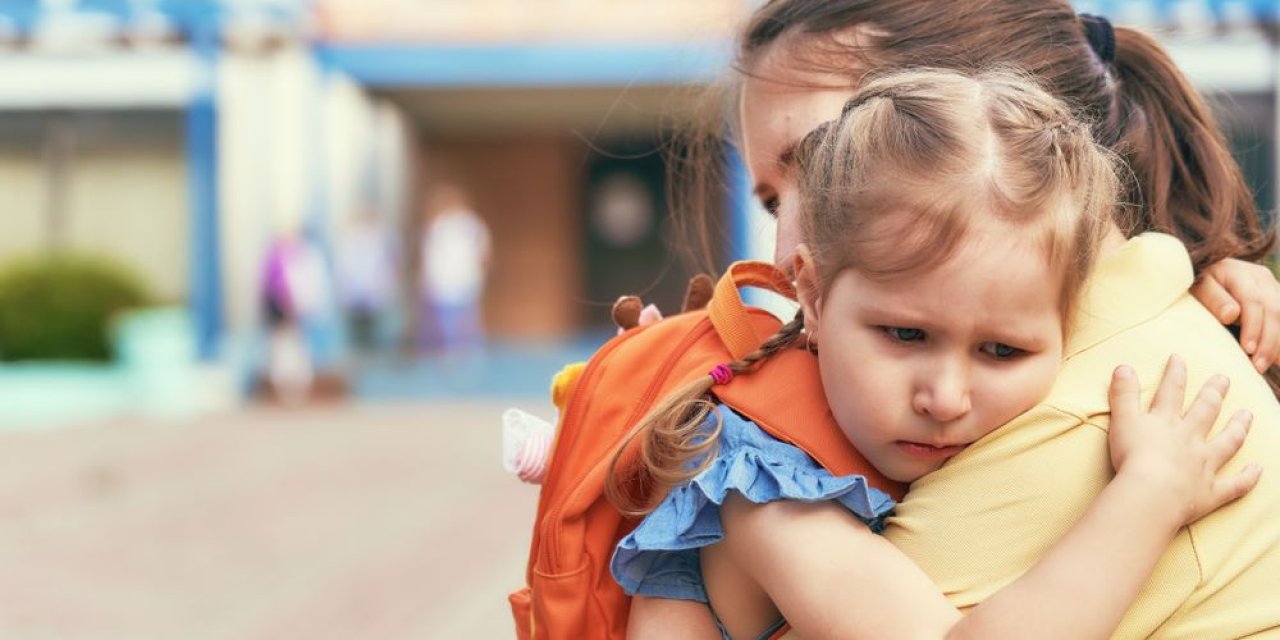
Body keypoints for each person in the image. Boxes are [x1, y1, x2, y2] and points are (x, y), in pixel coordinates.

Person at [641, 1, 1280, 637]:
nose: (784, 254)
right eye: (774, 200)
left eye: (828, 158)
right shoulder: (774, 469)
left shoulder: (1096, 419)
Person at [417, 185, 492, 355]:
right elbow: (430, 255)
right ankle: (453, 351)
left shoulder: (471, 225)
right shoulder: (439, 226)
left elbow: (484, 253)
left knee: (466, 318)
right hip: (444, 280)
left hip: (463, 278)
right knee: (448, 320)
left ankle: (469, 350)